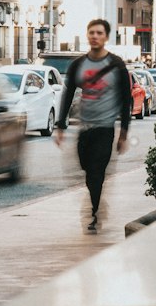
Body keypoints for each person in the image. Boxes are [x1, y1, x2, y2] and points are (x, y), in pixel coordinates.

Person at [54, 19, 131, 233]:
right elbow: (67, 94)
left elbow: (126, 99)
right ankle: (95, 198)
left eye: (99, 33)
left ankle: (94, 213)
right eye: (91, 33)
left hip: (105, 129)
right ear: (87, 36)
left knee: (96, 172)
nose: (95, 36)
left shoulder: (116, 65)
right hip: (84, 129)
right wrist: (61, 126)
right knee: (87, 170)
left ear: (106, 37)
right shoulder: (78, 64)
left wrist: (124, 132)